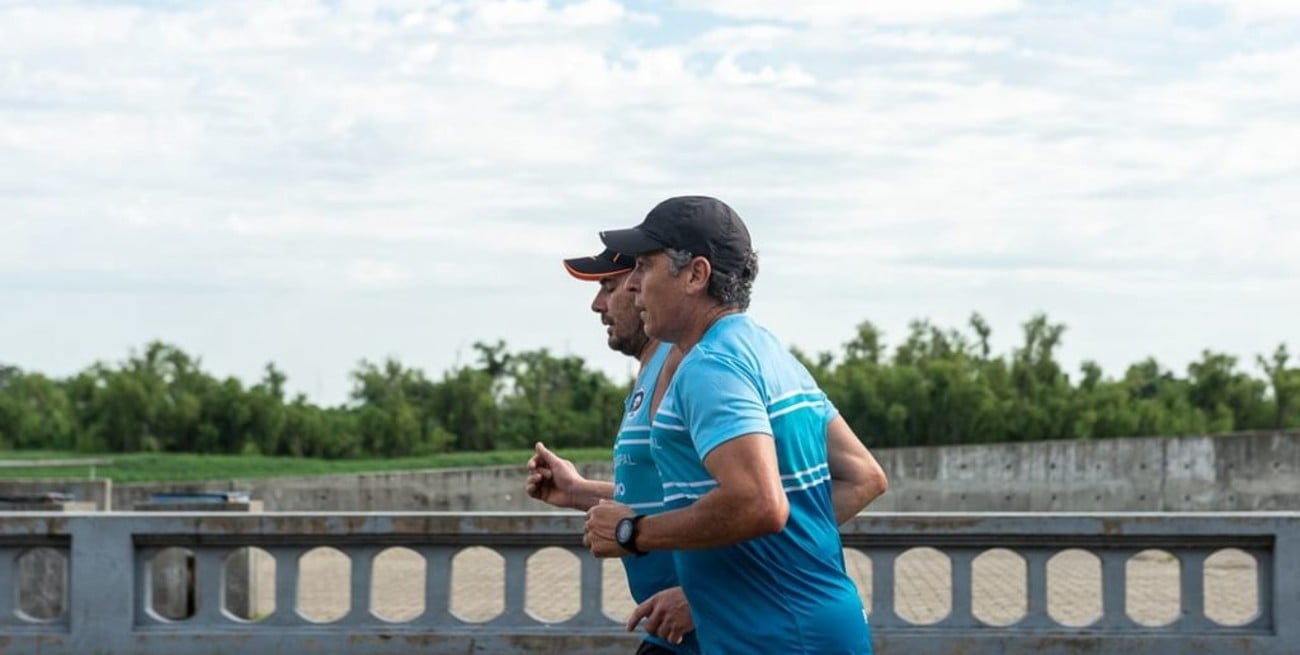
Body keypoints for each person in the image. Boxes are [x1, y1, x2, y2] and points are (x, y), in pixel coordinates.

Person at [584, 196, 888, 655]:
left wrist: (633, 532)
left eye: (645, 267)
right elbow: (859, 476)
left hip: (779, 637)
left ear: (695, 275)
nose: (633, 285)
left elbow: (759, 503)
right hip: (806, 627)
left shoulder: (710, 366)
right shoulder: (765, 350)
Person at [527, 246, 700, 654]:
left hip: (708, 628)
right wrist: (578, 491)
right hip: (670, 630)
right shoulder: (651, 371)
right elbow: (677, 497)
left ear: (644, 284)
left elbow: (757, 502)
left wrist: (703, 597)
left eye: (608, 286)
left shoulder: (683, 364)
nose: (596, 304)